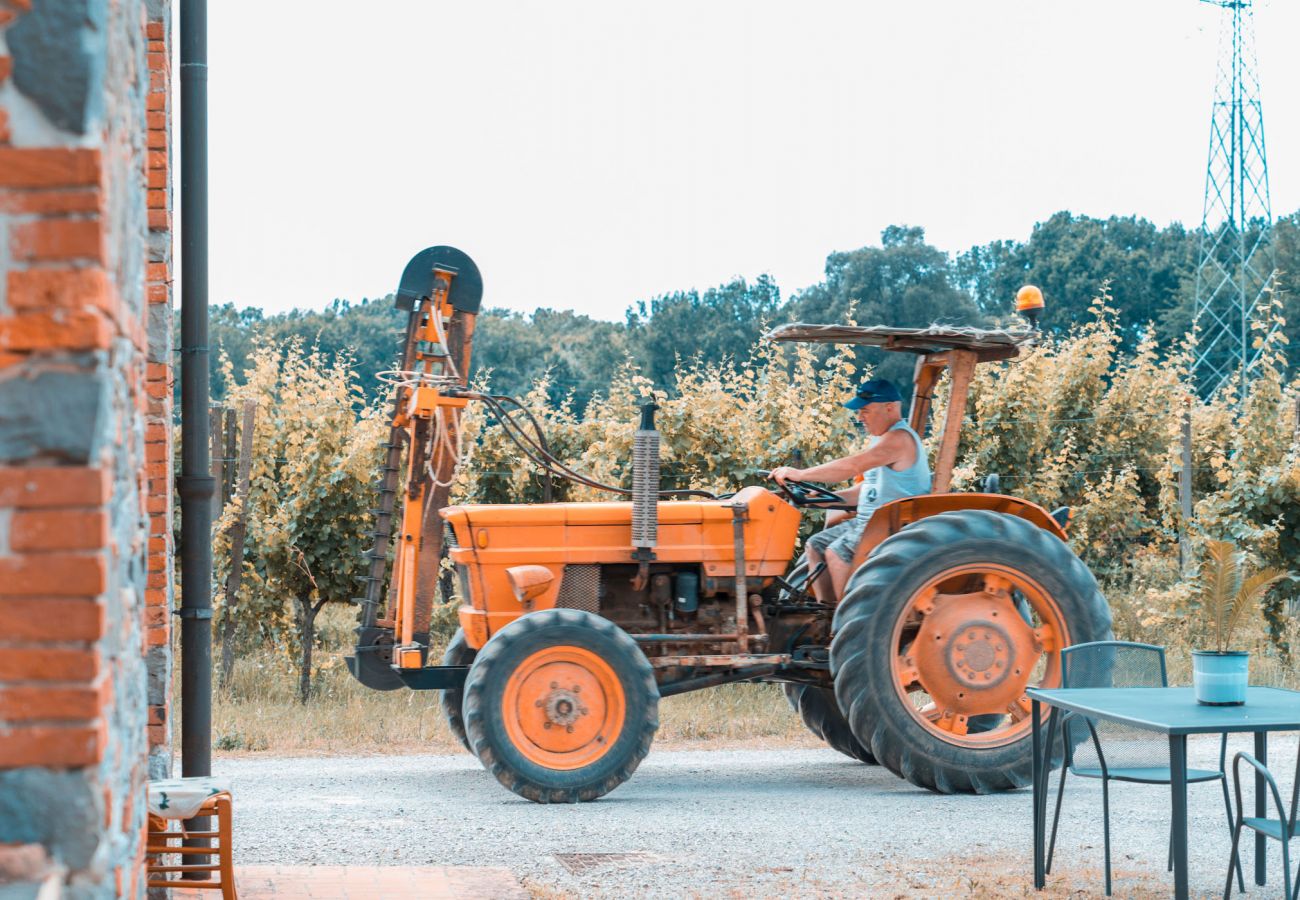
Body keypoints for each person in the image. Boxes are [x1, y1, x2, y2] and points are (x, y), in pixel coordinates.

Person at [770, 379, 931, 605]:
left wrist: (801, 474)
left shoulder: (899, 439)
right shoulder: (881, 439)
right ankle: (825, 612)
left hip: (892, 526)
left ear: (890, 408)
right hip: (868, 523)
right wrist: (823, 499)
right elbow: (865, 492)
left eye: (865, 410)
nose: (859, 417)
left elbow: (853, 466)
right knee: (815, 545)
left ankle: (844, 624)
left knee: (838, 553)